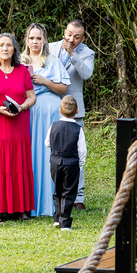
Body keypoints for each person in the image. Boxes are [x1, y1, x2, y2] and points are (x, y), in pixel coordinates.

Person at [0, 33, 36, 222]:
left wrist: (21, 107)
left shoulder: (22, 71)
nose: (4, 48)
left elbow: (32, 97)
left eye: (8, 45)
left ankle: (20, 208)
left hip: (19, 126)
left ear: (14, 49)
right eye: (1, 45)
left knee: (19, 163)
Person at [23, 23, 69, 217]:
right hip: (28, 112)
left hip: (49, 112)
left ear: (44, 40)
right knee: (29, 153)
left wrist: (45, 81)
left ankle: (49, 203)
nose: (35, 42)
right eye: (31, 38)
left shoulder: (52, 60)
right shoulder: (19, 60)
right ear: (26, 40)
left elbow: (63, 89)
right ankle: (28, 201)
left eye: (38, 38)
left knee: (48, 153)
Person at [48, 19, 95, 210]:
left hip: (73, 109)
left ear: (82, 38)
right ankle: (51, 192)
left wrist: (73, 54)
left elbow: (86, 74)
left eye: (76, 36)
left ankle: (78, 196)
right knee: (51, 150)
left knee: (75, 152)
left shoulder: (87, 53)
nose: (71, 39)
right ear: (64, 32)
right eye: (69, 34)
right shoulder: (50, 47)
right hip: (50, 105)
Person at [47, 95, 87, 231]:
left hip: (55, 163)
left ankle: (57, 218)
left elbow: (47, 142)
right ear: (77, 111)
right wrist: (80, 166)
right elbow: (82, 150)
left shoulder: (54, 126)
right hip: (71, 164)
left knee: (57, 190)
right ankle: (65, 223)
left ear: (60, 111)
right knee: (68, 192)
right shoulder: (78, 129)